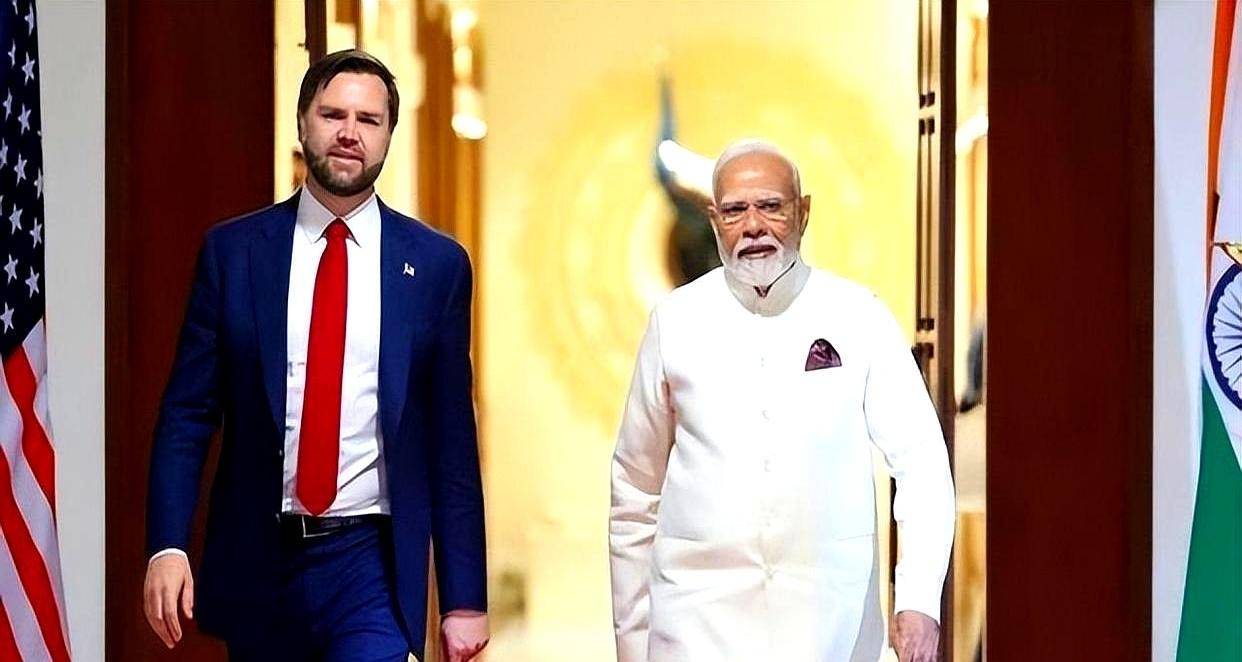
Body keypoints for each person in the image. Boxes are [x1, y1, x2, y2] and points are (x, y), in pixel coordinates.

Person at [142, 49, 488, 662]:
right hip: (260, 559)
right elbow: (187, 414)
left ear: (389, 135)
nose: (350, 133)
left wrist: (464, 599)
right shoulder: (235, 253)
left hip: (369, 563)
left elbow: (451, 440)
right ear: (303, 122)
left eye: (368, 119)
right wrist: (167, 545)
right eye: (333, 115)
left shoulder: (435, 266)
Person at [609, 140, 955, 662]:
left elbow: (921, 463)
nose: (753, 226)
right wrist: (633, 643)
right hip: (696, 621)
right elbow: (634, 491)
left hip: (829, 620)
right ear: (713, 220)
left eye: (771, 206)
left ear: (803, 212)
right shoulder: (675, 322)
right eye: (734, 211)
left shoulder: (858, 315)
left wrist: (919, 599)